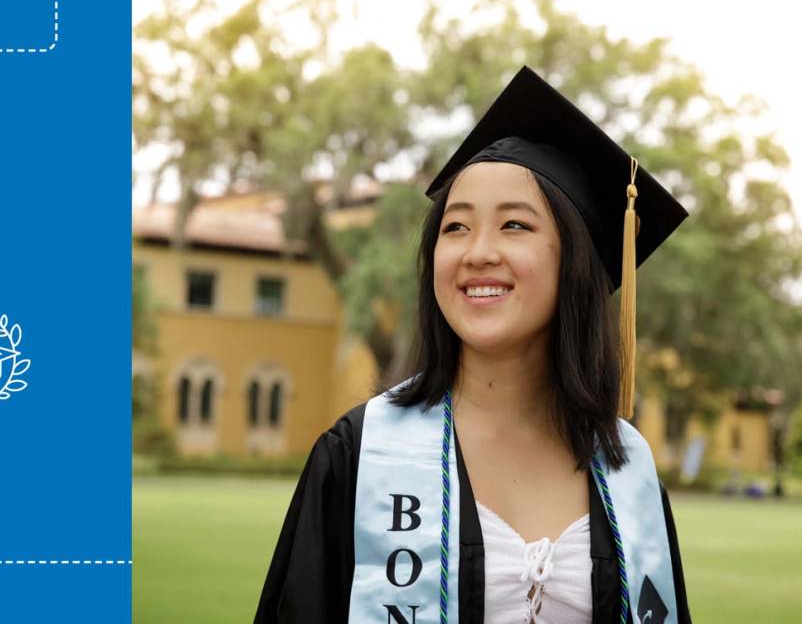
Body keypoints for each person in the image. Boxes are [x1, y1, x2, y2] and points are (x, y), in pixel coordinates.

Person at [254, 66, 693, 624]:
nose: (477, 252)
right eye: (456, 227)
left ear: (575, 262)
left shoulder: (628, 472)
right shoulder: (361, 455)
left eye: (514, 226)